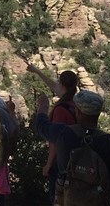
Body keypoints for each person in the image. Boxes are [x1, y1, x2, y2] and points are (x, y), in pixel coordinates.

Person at [34, 90, 110, 206]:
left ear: (77, 111)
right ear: (98, 113)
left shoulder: (63, 134)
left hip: (68, 199)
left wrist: (43, 106)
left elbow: (40, 125)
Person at [26, 65, 79, 205]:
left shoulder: (61, 109)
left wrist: (48, 165)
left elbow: (55, 141)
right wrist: (37, 72)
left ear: (62, 85)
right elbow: (54, 85)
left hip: (60, 161)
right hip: (75, 157)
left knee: (56, 198)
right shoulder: (75, 101)